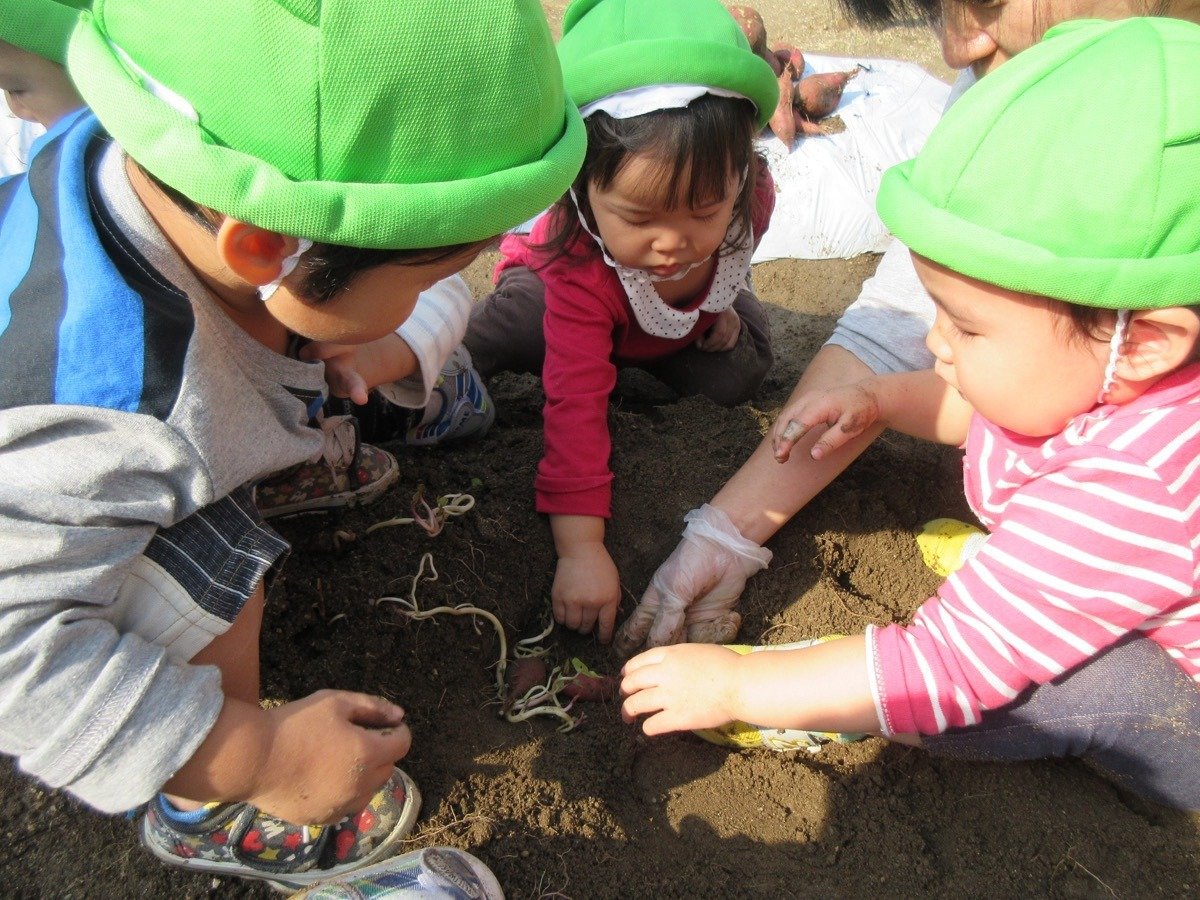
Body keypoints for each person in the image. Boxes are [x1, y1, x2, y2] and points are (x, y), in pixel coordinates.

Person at [0, 0, 584, 890]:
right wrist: (256, 754)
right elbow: (16, 657)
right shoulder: (117, 412)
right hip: (35, 541)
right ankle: (203, 810)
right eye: (425, 275)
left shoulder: (137, 154)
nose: (432, 297)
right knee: (210, 546)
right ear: (264, 246)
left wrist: (314, 339)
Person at [621, 15, 1200, 809]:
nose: (934, 341)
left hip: (1180, 709)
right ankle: (1027, 575)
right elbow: (978, 410)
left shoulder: (1128, 490)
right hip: (1099, 554)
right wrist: (883, 399)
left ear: (1148, 343)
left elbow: (943, 670)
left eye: (966, 327)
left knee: (1041, 691)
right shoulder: (1102, 367)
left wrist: (740, 686)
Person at [463, 0, 779, 643]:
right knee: (515, 330)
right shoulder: (578, 259)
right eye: (639, 218)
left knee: (740, 375)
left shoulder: (753, 200)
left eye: (705, 211)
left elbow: (732, 250)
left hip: (668, 323)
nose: (674, 243)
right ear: (581, 188)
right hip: (566, 299)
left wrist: (717, 305)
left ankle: (691, 322)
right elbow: (575, 404)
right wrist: (581, 548)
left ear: (740, 179)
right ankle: (441, 357)